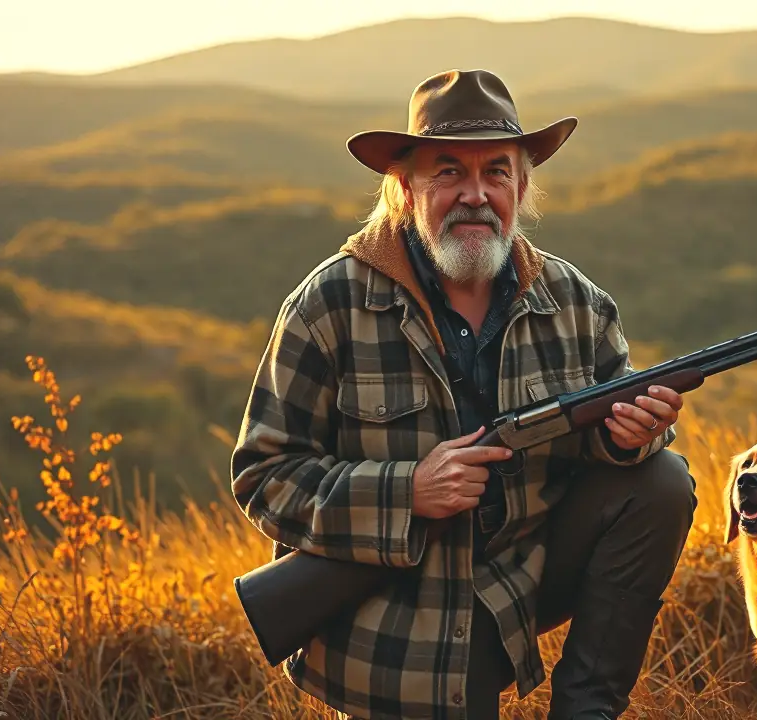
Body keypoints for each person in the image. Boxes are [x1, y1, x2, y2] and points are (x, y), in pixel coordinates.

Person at [229, 68, 697, 720]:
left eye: (496, 173)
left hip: (513, 587)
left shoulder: (577, 304)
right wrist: (407, 491)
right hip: (392, 631)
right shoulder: (327, 305)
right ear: (404, 187)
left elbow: (617, 434)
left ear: (522, 186)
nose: (475, 195)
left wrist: (631, 436)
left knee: (662, 481)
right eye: (448, 173)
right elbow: (264, 476)